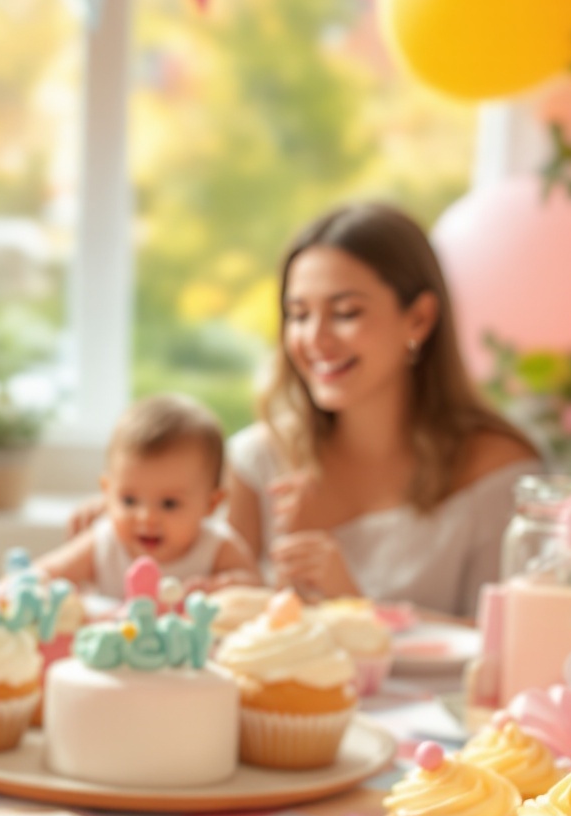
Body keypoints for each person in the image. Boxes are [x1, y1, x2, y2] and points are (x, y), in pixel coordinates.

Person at [225, 201, 536, 616]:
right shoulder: (258, 461)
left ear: (419, 319)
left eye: (345, 312)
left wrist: (354, 606)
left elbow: (504, 647)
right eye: (298, 315)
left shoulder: (496, 474)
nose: (315, 339)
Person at [36, 393, 257, 596]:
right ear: (108, 492)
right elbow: (45, 573)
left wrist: (225, 587)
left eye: (169, 504)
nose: (146, 517)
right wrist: (17, 590)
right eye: (129, 500)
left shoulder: (217, 547)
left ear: (211, 504)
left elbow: (260, 593)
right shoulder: (105, 542)